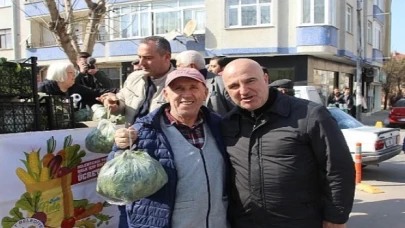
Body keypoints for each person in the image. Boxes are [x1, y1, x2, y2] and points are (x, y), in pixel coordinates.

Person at [220, 58, 355, 228]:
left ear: (266, 79)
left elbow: (338, 169)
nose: (244, 90)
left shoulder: (310, 115)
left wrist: (336, 217)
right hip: (246, 222)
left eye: (250, 81)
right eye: (234, 86)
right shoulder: (228, 124)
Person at [110, 68, 230, 228]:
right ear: (166, 94)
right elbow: (118, 183)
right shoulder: (143, 131)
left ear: (205, 92)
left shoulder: (220, 126)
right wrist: (120, 148)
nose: (186, 94)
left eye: (193, 87)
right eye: (178, 89)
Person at [98, 36, 175, 126]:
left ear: (167, 57)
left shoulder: (180, 83)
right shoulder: (134, 78)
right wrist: (114, 104)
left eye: (148, 58)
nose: (141, 63)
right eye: (140, 57)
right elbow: (122, 101)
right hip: (132, 137)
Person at [175, 50, 235, 116]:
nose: (176, 69)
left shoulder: (222, 82)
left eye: (179, 66)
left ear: (192, 66)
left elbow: (236, 112)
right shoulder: (177, 84)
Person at [38, 61, 117, 108]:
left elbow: (93, 93)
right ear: (60, 74)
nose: (74, 76)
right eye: (70, 73)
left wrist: (116, 92)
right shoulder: (43, 89)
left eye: (74, 73)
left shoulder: (74, 87)